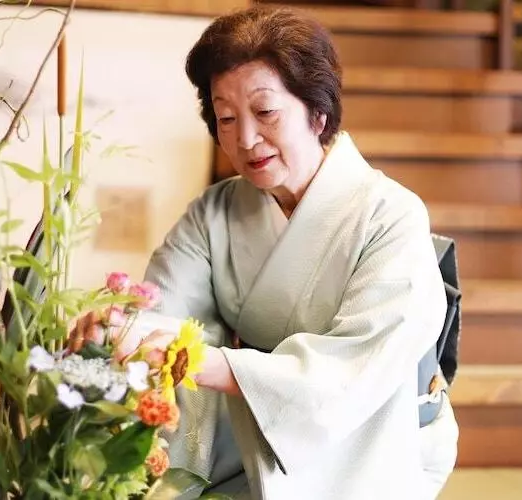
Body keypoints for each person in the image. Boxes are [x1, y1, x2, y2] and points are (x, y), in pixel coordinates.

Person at [135, 6, 459, 499]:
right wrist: (121, 329)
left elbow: (360, 369)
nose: (245, 139)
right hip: (241, 439)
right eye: (226, 118)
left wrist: (222, 366)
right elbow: (160, 311)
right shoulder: (214, 212)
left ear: (316, 110)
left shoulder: (391, 215)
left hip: (368, 439)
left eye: (265, 112)